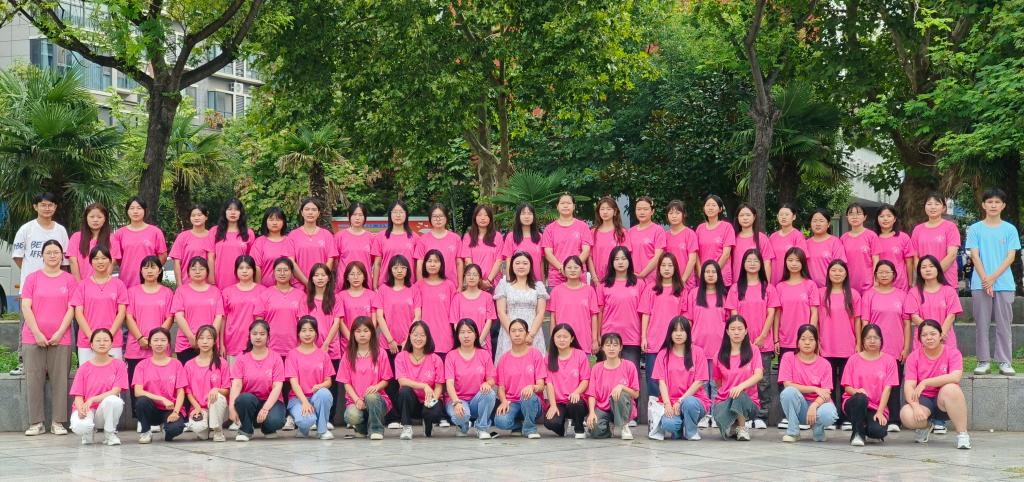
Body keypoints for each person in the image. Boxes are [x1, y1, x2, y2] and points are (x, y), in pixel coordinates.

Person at [21, 239, 76, 436]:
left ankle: (57, 422)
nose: (53, 255)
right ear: (42, 256)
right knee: (33, 380)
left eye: (56, 252)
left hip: (61, 338)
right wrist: (37, 333)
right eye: (49, 252)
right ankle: (36, 422)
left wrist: (60, 332)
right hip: (32, 337)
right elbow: (26, 306)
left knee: (60, 381)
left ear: (62, 256)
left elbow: (72, 308)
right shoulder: (32, 278)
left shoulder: (69, 280)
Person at [965, 188, 1019, 375]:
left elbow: (1010, 257)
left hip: (1004, 284)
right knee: (981, 324)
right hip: (980, 283)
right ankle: (983, 361)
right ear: (983, 205)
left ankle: (1005, 361)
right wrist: (986, 280)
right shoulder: (975, 229)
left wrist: (992, 278)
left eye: (997, 202)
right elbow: (975, 256)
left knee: (1004, 324)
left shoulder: (1010, 229)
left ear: (1003, 205)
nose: (993, 205)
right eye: (990, 202)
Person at [725, 249, 778, 429]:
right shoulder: (736, 288)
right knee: (741, 379)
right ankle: (744, 416)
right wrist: (740, 337)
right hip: (740, 343)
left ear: (761, 264)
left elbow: (771, 313)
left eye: (756, 260)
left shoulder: (768, 288)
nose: (752, 264)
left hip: (763, 342)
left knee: (763, 381)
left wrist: (763, 336)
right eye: (749, 260)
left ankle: (761, 416)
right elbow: (734, 316)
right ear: (743, 264)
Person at [900, 320, 971, 449]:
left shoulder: (952, 353)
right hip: (923, 400)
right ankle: (926, 426)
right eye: (924, 335)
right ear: (919, 339)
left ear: (940, 335)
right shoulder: (914, 357)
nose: (929, 338)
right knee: (906, 414)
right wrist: (915, 407)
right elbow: (909, 386)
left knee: (951, 388)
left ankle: (962, 434)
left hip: (945, 401)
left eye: (933, 334)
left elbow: (955, 376)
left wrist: (926, 382)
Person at [860, 260, 911, 431]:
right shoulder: (869, 295)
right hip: (873, 347)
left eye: (887, 272)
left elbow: (906, 323)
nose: (883, 275)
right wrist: (863, 344)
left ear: (894, 275)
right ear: (875, 275)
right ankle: (871, 417)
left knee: (894, 384)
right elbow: (865, 322)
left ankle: (894, 419)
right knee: (874, 384)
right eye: (880, 272)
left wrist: (906, 347)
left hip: (895, 347)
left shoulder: (902, 295)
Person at [125, 256, 173, 411]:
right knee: (137, 384)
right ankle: (140, 417)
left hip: (160, 346)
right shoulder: (132, 292)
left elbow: (170, 317)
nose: (149, 271)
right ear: (141, 271)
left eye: (153, 267)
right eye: (146, 267)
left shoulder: (167, 293)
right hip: (136, 345)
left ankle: (161, 414)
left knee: (160, 383)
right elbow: (128, 317)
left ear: (159, 270)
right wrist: (140, 338)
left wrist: (156, 340)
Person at [817, 259, 861, 430]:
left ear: (846, 274)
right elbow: (816, 319)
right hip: (826, 345)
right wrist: (816, 341)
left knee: (845, 385)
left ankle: (845, 417)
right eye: (833, 270)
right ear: (828, 273)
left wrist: (858, 342)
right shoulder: (821, 293)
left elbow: (857, 321)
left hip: (847, 345)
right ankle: (830, 417)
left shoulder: (853, 295)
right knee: (828, 385)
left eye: (840, 271)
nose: (837, 273)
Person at [778, 324, 839, 442]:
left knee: (829, 413)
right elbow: (787, 384)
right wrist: (814, 389)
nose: (807, 343)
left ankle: (818, 429)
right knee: (788, 392)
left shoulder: (825, 364)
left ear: (817, 342)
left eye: (811, 339)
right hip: (799, 406)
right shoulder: (788, 358)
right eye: (803, 339)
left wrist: (814, 405)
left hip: (818, 405)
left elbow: (826, 393)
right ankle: (793, 432)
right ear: (797, 342)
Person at [653, 317, 711, 441]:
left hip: (694, 401)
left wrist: (681, 401)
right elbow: (661, 382)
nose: (678, 334)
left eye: (682, 330)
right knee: (669, 424)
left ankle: (691, 431)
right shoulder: (663, 354)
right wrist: (667, 404)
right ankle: (679, 428)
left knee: (689, 403)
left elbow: (699, 381)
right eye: (675, 330)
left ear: (688, 332)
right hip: (671, 402)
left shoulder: (698, 352)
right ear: (670, 333)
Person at [841, 324, 899, 446]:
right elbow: (847, 387)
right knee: (861, 398)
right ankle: (857, 434)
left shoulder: (889, 360)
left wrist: (880, 412)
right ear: (863, 340)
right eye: (868, 338)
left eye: (876, 338)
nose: (872, 341)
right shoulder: (853, 359)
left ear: (881, 340)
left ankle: (864, 425)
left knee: (878, 432)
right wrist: (857, 391)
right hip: (855, 403)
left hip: (875, 407)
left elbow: (888, 389)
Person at [229, 320, 287, 442]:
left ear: (268, 336)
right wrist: (231, 408)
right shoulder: (241, 358)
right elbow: (236, 384)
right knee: (244, 399)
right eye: (254, 334)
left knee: (275, 421)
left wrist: (265, 409)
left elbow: (277, 386)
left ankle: (268, 428)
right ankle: (246, 430)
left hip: (271, 401)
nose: (258, 337)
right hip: (250, 402)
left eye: (262, 334)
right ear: (249, 335)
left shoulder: (276, 358)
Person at [68, 329, 128, 446]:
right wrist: (80, 409)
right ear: (91, 345)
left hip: (104, 411)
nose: (102, 343)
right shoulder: (84, 368)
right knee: (80, 427)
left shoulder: (119, 365)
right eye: (98, 340)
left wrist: (93, 399)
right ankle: (88, 432)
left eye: (105, 340)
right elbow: (78, 395)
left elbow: (116, 391)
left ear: (111, 344)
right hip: (87, 409)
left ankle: (110, 434)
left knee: (114, 400)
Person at [302, 263, 344, 426]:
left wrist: (326, 344)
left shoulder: (335, 298)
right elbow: (303, 323)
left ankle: (328, 418)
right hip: (310, 348)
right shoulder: (305, 299)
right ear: (311, 279)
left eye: (323, 275)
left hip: (331, 348)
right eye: (316, 275)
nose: (320, 278)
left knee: (330, 383)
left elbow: (337, 322)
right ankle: (311, 416)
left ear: (329, 278)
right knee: (311, 381)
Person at [338, 316, 393, 440]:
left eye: (366, 331)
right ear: (353, 334)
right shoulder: (348, 355)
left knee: (371, 397)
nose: (362, 334)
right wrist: (357, 399)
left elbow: (386, 380)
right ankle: (362, 429)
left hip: (377, 400)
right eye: (358, 331)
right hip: (356, 400)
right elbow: (346, 383)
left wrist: (376, 387)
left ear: (372, 332)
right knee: (351, 415)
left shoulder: (381, 353)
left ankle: (376, 430)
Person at [710, 316, 764, 441]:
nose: (736, 332)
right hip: (724, 401)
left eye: (740, 329)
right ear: (727, 332)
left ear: (746, 331)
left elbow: (759, 375)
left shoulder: (753, 350)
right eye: (733, 329)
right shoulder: (719, 355)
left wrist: (740, 387)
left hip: (749, 402)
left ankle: (742, 428)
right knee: (723, 421)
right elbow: (718, 381)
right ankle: (734, 423)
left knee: (738, 395)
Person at [71, 245, 128, 362]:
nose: (100, 261)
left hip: (113, 340)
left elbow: (122, 312)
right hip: (87, 341)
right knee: (88, 373)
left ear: (110, 261)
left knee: (113, 372)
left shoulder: (119, 285)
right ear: (90, 262)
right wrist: (92, 337)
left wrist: (108, 337)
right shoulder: (83, 285)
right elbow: (78, 313)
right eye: (96, 259)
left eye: (103, 258)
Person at [640, 253, 686, 398]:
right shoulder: (651, 289)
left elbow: (685, 317)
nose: (666, 269)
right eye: (663, 265)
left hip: (675, 341)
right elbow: (645, 313)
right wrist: (643, 337)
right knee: (652, 378)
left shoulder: (681, 290)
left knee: (672, 377)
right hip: (654, 339)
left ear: (675, 268)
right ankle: (654, 407)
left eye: (670, 265)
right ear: (658, 268)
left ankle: (671, 406)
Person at [132, 327, 187, 443]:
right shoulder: (142, 365)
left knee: (175, 429)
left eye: (163, 340)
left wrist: (176, 412)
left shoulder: (176, 364)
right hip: (151, 409)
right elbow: (138, 391)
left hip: (170, 408)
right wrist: (161, 399)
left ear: (168, 343)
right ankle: (146, 432)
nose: (159, 343)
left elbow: (181, 391)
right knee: (141, 401)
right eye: (155, 340)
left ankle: (168, 431)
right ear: (150, 343)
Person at [685, 260, 728, 406]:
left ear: (719, 274)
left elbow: (729, 321)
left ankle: (715, 413)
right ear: (702, 274)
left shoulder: (724, 294)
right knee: (701, 384)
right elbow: (689, 320)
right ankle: (703, 413)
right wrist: (689, 342)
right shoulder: (694, 294)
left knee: (716, 383)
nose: (710, 275)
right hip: (698, 346)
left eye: (713, 272)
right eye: (707, 272)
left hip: (719, 347)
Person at [597, 247, 645, 379]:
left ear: (629, 261)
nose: (620, 262)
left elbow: (644, 313)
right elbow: (599, 312)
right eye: (617, 259)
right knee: (607, 377)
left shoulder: (639, 284)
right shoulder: (603, 285)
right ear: (611, 262)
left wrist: (644, 336)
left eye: (624, 259)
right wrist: (597, 336)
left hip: (632, 337)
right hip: (609, 337)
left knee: (631, 378)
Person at [285, 317, 336, 439]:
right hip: (298, 399)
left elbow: (328, 381)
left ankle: (322, 430)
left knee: (324, 393)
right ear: (298, 333)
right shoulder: (292, 354)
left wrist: (320, 386)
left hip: (316, 396)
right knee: (306, 420)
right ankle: (303, 429)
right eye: (303, 330)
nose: (307, 334)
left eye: (311, 330)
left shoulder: (323, 355)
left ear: (316, 333)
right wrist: (304, 402)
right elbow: (294, 383)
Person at [445, 319, 498, 439]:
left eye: (469, 332)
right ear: (457, 335)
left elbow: (492, 379)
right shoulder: (451, 356)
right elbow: (449, 384)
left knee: (489, 393)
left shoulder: (484, 354)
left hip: (477, 400)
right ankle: (463, 426)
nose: (466, 336)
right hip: (457, 400)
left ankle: (482, 428)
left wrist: (487, 383)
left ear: (476, 334)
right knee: (461, 416)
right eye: (462, 332)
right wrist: (456, 402)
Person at [495, 319, 547, 438]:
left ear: (527, 334)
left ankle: (530, 429)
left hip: (532, 401)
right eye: (513, 331)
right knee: (500, 421)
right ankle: (518, 426)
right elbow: (501, 388)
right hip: (512, 402)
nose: (517, 334)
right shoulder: (503, 359)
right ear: (509, 334)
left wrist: (532, 387)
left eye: (520, 330)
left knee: (527, 397)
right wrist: (503, 401)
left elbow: (541, 385)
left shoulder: (535, 354)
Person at [395, 321, 445, 439]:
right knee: (404, 391)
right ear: (409, 336)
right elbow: (402, 381)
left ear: (428, 338)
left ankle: (428, 422)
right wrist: (424, 386)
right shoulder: (401, 357)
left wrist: (432, 401)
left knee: (434, 413)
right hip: (410, 402)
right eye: (415, 335)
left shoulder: (435, 359)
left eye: (422, 335)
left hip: (428, 400)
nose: (418, 338)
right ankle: (407, 427)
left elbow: (439, 386)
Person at [494, 251, 548, 360]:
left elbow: (541, 312)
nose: (521, 266)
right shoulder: (504, 285)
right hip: (509, 332)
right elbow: (501, 312)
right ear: (512, 265)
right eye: (517, 263)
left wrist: (530, 335)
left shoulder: (538, 286)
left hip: (533, 331)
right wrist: (513, 332)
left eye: (525, 263)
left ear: (530, 266)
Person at [586, 332, 640, 440]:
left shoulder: (629, 366)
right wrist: (591, 413)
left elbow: (636, 394)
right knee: (594, 430)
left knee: (619, 394)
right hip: (603, 409)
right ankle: (609, 429)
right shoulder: (596, 368)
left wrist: (622, 387)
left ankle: (624, 426)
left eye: (615, 345)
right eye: (608, 345)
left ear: (620, 348)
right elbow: (592, 394)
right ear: (602, 348)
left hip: (623, 408)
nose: (611, 348)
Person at [171, 256, 225, 364]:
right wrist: (191, 337)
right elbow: (179, 315)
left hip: (210, 343)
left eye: (201, 268)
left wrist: (210, 338)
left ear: (207, 271)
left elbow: (219, 316)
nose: (197, 271)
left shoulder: (215, 292)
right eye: (193, 268)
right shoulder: (181, 291)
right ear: (188, 272)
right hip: (187, 343)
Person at [12, 192, 69, 291]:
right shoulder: (26, 229)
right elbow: (18, 257)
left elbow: (64, 259)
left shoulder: (61, 230)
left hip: (56, 285)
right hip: (31, 285)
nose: (47, 208)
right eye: (43, 205)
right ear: (35, 207)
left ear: (55, 207)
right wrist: (30, 271)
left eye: (50, 205)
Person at [543, 323, 590, 438]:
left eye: (565, 337)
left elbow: (585, 379)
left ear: (572, 338)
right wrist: (553, 405)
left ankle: (579, 428)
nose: (562, 340)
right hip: (559, 402)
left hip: (576, 400)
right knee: (550, 422)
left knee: (575, 403)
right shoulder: (548, 358)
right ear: (553, 338)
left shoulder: (580, 355)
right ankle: (561, 427)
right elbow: (549, 384)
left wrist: (577, 392)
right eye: (558, 336)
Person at [182, 325, 229, 442]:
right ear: (196, 341)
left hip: (214, 404)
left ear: (214, 341)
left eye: (209, 338)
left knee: (217, 397)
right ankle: (206, 427)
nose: (205, 341)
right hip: (198, 407)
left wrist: (216, 389)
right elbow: (188, 391)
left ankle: (217, 430)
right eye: (201, 338)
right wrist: (197, 407)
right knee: (200, 431)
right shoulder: (189, 365)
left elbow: (227, 389)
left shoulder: (222, 363)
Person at [906, 255, 963, 351]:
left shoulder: (949, 291)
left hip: (944, 336)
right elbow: (914, 317)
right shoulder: (913, 292)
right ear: (919, 271)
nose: (928, 270)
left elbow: (952, 315)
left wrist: (941, 333)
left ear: (938, 269)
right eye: (923, 267)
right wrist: (930, 333)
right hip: (924, 337)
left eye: (931, 266)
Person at [548, 256, 600, 354]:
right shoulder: (556, 291)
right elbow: (553, 319)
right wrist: (552, 340)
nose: (572, 270)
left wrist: (594, 340)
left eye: (576, 267)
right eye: (569, 267)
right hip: (562, 341)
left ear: (582, 270)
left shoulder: (589, 291)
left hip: (584, 340)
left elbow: (594, 317)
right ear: (563, 270)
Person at [774, 247, 819, 355]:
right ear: (785, 262)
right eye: (790, 260)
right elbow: (777, 315)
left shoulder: (810, 285)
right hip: (785, 340)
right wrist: (776, 339)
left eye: (798, 260)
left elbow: (814, 313)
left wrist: (810, 336)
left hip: (805, 341)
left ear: (803, 263)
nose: (794, 263)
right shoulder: (779, 287)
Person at [258, 257, 306, 358]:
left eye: (286, 270)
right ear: (273, 273)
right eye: (279, 270)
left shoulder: (300, 295)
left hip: (294, 348)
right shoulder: (265, 294)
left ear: (292, 273)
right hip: (270, 348)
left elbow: (304, 323)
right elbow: (259, 322)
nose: (282, 273)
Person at [910, 192, 961, 288]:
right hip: (924, 282)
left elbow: (952, 255)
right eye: (929, 204)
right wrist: (924, 274)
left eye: (937, 204)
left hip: (947, 281)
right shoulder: (917, 229)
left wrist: (934, 273)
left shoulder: (950, 227)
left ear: (944, 208)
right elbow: (915, 257)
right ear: (924, 207)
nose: (933, 207)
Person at [542, 193, 592, 288]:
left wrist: (574, 268)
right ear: (557, 206)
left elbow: (586, 250)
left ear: (574, 206)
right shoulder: (549, 229)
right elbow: (548, 253)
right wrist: (562, 268)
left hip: (578, 276)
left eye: (568, 203)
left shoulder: (583, 226)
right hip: (556, 277)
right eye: (562, 203)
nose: (565, 206)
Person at [222, 256, 266, 362]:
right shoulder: (227, 292)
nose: (244, 271)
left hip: (255, 341)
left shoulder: (263, 291)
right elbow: (223, 319)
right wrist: (221, 343)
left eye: (248, 268)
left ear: (254, 270)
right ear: (236, 271)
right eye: (241, 268)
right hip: (232, 341)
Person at [413, 250, 457, 353]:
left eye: (436, 261)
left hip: (444, 337)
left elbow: (454, 314)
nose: (432, 264)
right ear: (424, 264)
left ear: (442, 264)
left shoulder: (449, 285)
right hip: (423, 337)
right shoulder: (418, 286)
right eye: (429, 261)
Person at [372, 200, 418, 289]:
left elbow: (418, 265)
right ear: (390, 215)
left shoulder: (415, 237)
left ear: (406, 214)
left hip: (409, 286)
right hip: (385, 286)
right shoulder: (381, 236)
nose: (398, 215)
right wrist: (374, 286)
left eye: (401, 212)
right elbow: (377, 264)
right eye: (395, 212)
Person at [210, 198, 255, 289]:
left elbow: (251, 260)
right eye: (229, 209)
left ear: (241, 213)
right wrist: (211, 280)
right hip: (219, 279)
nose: (233, 212)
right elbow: (211, 257)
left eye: (236, 209)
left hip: (242, 280)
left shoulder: (248, 233)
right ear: (225, 212)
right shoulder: (214, 231)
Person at [337, 261, 381, 353]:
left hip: (368, 342)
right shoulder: (340, 296)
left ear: (364, 276)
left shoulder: (372, 295)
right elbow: (340, 322)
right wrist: (352, 339)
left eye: (359, 274)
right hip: (348, 343)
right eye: (352, 274)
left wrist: (367, 336)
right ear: (347, 277)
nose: (356, 277)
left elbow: (374, 320)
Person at [287, 197, 338, 277]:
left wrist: (321, 278)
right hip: (298, 283)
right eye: (307, 209)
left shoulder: (327, 235)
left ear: (318, 213)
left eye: (314, 210)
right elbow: (291, 261)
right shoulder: (293, 235)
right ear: (302, 213)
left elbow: (330, 260)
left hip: (321, 282)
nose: (310, 212)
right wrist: (306, 281)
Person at [450, 263, 496, 350]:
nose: (471, 277)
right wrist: (463, 339)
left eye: (475, 275)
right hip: (463, 343)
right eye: (468, 274)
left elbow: (489, 320)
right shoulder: (457, 298)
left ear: (480, 278)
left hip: (483, 342)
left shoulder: (487, 297)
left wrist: (479, 341)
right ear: (464, 277)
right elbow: (455, 322)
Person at [415, 203, 464, 285]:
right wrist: (420, 285)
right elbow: (420, 264)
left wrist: (460, 285)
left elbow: (459, 263)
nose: (438, 219)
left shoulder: (456, 239)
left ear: (446, 218)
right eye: (434, 216)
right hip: (429, 285)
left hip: (452, 285)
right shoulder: (423, 240)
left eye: (441, 216)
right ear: (430, 218)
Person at [250, 207, 299, 287]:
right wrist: (259, 289)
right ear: (265, 222)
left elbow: (292, 265)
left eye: (278, 220)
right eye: (271, 220)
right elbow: (257, 267)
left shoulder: (289, 241)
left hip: (286, 288)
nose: (275, 223)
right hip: (266, 289)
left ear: (283, 222)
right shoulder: (259, 242)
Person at [169, 205, 213, 287]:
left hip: (208, 285)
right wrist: (179, 285)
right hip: (187, 284)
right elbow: (176, 262)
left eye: (199, 215)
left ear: (206, 217)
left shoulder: (213, 236)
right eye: (193, 215)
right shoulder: (183, 236)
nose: (196, 218)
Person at [589, 196, 631, 284]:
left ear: (615, 212)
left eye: (608, 209)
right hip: (597, 280)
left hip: (617, 279)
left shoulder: (622, 232)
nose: (605, 212)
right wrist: (594, 277)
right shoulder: (593, 232)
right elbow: (589, 257)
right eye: (602, 209)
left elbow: (627, 256)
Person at [695, 195, 735, 287]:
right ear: (704, 208)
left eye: (713, 205)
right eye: (708, 205)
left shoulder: (727, 227)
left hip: (721, 275)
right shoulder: (700, 228)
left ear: (720, 209)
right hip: (703, 275)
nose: (710, 208)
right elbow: (696, 253)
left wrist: (713, 271)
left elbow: (726, 254)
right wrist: (701, 272)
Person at [731, 203, 774, 286]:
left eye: (748, 215)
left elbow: (767, 263)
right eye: (741, 215)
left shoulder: (762, 238)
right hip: (737, 284)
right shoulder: (733, 238)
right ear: (737, 218)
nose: (745, 218)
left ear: (754, 217)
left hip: (757, 284)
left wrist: (766, 285)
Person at [461, 205, 503, 290]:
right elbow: (468, 261)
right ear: (475, 218)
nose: (483, 218)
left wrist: (489, 280)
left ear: (490, 218)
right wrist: (479, 281)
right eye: (479, 215)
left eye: (486, 215)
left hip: (494, 282)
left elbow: (499, 261)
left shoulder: (497, 236)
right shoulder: (468, 237)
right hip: (474, 281)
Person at [874, 204, 915, 291]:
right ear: (877, 219)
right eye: (881, 216)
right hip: (878, 283)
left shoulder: (903, 237)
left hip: (900, 283)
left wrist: (910, 282)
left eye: (889, 216)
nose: (885, 219)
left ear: (894, 219)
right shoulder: (872, 238)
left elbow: (909, 262)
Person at [841, 204, 880, 293]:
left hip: (868, 283)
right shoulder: (843, 238)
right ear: (847, 217)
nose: (854, 217)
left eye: (858, 213)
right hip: (848, 283)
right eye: (851, 214)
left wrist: (876, 279)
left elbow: (876, 260)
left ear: (864, 217)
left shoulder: (871, 236)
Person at [502, 203, 545, 283]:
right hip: (517, 283)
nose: (526, 216)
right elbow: (508, 261)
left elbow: (541, 262)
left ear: (533, 217)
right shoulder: (511, 236)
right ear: (518, 216)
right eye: (523, 213)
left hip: (536, 282)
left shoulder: (540, 236)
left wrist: (542, 283)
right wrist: (510, 282)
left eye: (529, 213)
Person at [67, 203, 110, 281]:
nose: (95, 220)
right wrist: (80, 284)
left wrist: (102, 283)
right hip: (79, 283)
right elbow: (72, 261)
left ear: (104, 219)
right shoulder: (76, 237)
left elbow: (111, 263)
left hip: (103, 284)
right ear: (86, 218)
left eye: (99, 217)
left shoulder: (111, 239)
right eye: (92, 217)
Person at [629, 196, 666, 284]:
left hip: (652, 279)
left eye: (645, 209)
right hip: (633, 277)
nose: (642, 212)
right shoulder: (630, 231)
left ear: (652, 211)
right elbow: (627, 256)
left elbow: (658, 256)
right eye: (639, 209)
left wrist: (642, 274)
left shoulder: (658, 230)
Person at [805, 208, 846, 287]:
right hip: (810, 289)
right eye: (814, 221)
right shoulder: (805, 244)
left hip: (831, 288)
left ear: (828, 224)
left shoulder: (835, 242)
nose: (817, 224)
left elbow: (840, 266)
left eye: (821, 221)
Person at [769, 204, 807, 286]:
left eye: (787, 214)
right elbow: (768, 260)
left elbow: (801, 260)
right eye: (781, 215)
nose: (783, 217)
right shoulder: (772, 237)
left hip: (791, 279)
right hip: (774, 278)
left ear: (794, 217)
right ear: (777, 217)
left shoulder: (798, 236)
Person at [664, 200, 699, 289]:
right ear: (667, 216)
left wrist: (682, 280)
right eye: (671, 213)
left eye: (677, 213)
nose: (674, 216)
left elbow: (692, 260)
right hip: (669, 281)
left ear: (684, 214)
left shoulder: (690, 234)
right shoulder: (665, 235)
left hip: (686, 282)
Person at [335, 202, 375, 279]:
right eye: (354, 214)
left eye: (360, 215)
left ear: (365, 217)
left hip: (365, 281)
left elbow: (373, 261)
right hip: (344, 281)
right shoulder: (339, 236)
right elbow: (336, 261)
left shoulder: (371, 238)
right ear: (348, 216)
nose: (357, 218)